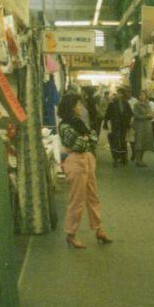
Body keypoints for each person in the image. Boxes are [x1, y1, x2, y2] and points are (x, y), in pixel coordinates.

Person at [57, 93, 112, 249]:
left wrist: (87, 138)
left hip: (87, 160)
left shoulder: (77, 122)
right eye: (78, 104)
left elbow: (93, 138)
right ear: (71, 107)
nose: (80, 107)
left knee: (93, 197)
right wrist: (87, 137)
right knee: (77, 200)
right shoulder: (65, 126)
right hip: (75, 162)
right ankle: (71, 234)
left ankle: (99, 229)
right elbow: (79, 144)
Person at [103, 87, 133, 167]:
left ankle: (124, 158)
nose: (118, 94)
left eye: (120, 93)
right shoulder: (112, 103)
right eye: (118, 93)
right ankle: (115, 159)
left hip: (124, 125)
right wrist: (105, 123)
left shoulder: (126, 103)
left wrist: (128, 122)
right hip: (115, 125)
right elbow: (107, 114)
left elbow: (130, 113)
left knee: (123, 141)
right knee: (115, 141)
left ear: (122, 94)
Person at [131, 91, 154, 167]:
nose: (142, 96)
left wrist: (152, 115)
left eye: (143, 95)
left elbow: (151, 113)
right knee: (139, 143)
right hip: (139, 126)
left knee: (145, 143)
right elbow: (136, 116)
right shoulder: (136, 105)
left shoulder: (148, 104)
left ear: (146, 96)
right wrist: (146, 116)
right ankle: (138, 160)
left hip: (147, 126)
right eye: (140, 95)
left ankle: (141, 160)